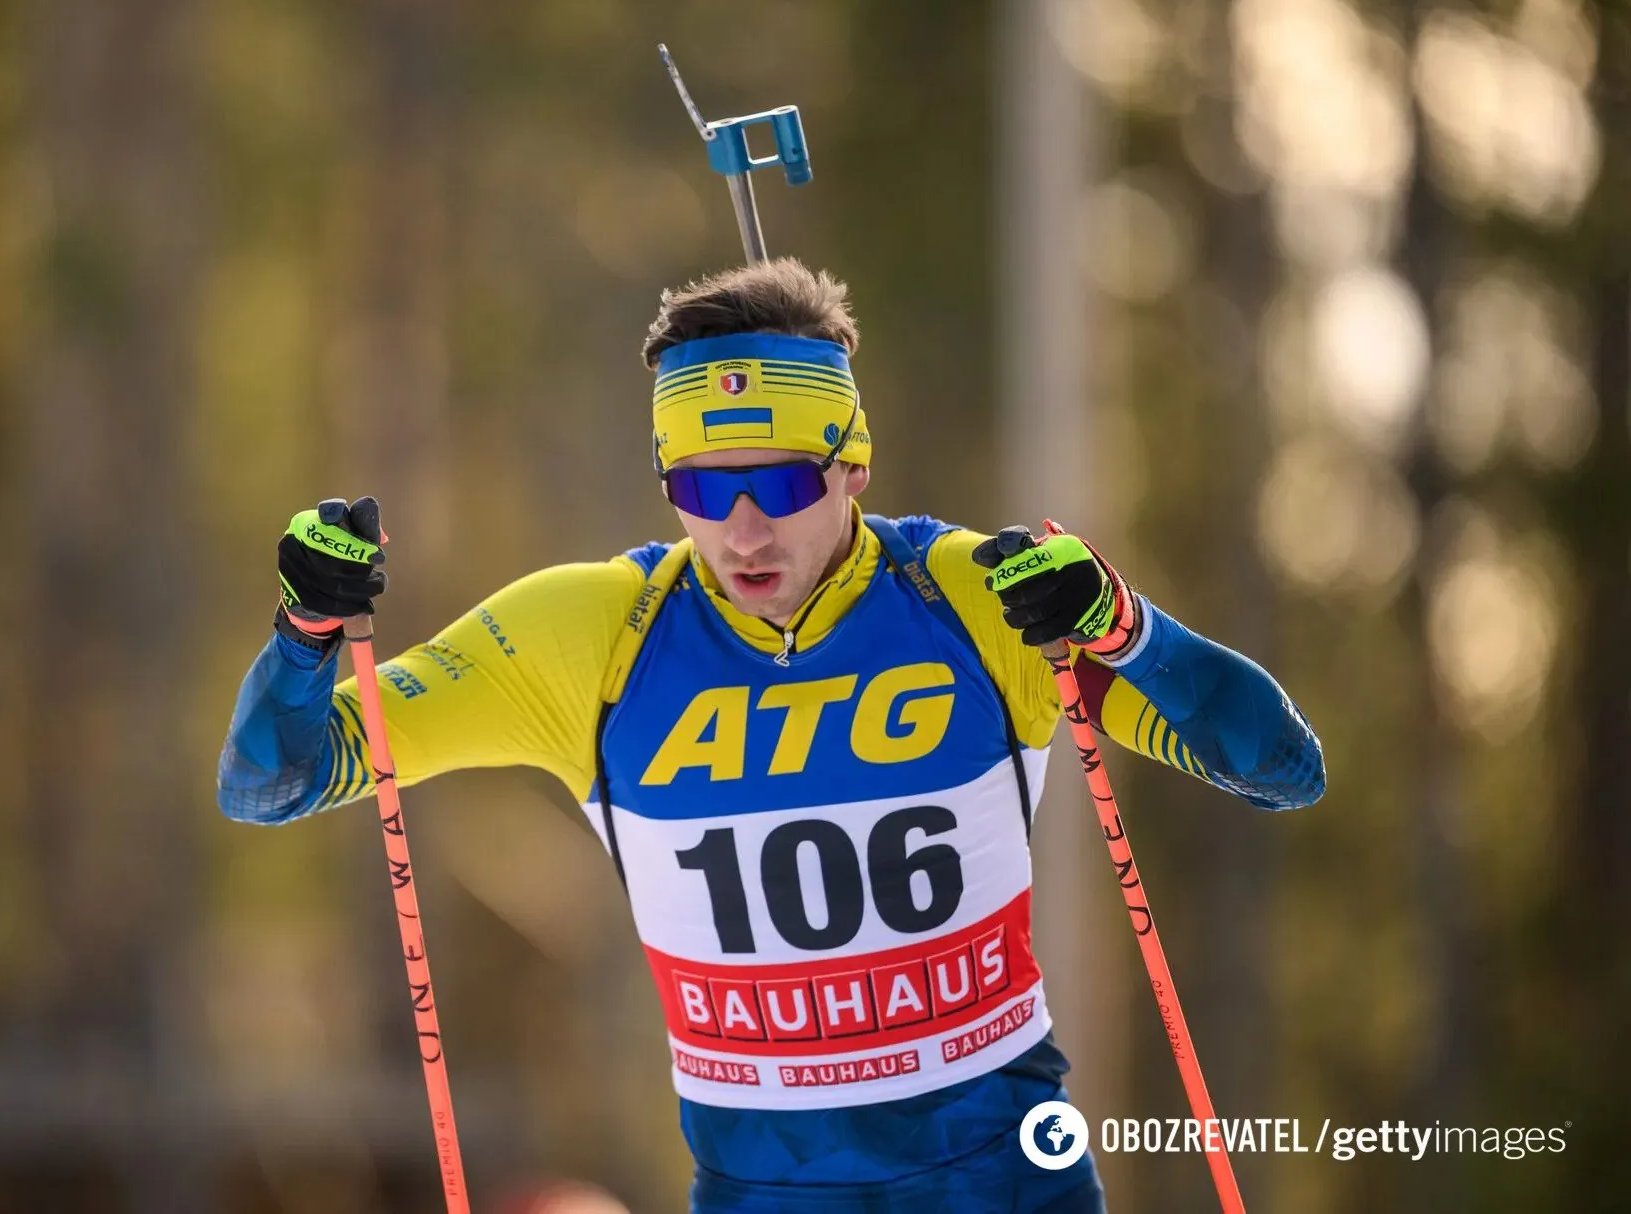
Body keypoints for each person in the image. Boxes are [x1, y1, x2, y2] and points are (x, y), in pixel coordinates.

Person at [217, 259, 1325, 1212]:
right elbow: (271, 782)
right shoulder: (588, 634)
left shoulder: (975, 600)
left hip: (1004, 1180)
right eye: (702, 488)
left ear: (852, 463)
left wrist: (1124, 629)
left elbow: (1281, 767)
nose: (742, 531)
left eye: (783, 482)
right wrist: (306, 632)